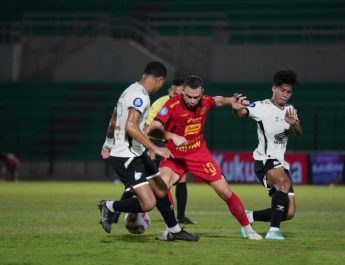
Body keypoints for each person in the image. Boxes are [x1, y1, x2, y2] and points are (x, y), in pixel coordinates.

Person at [148, 75, 262, 240]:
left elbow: (218, 100)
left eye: (196, 97)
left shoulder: (205, 101)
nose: (192, 100)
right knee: (161, 187)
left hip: (198, 154)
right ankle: (171, 229)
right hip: (175, 154)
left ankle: (248, 229)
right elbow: (153, 128)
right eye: (188, 96)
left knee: (225, 191)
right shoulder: (172, 105)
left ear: (202, 93)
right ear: (183, 92)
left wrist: (231, 101)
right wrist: (172, 136)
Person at [98, 61, 198, 241]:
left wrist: (107, 143)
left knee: (160, 189)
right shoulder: (141, 96)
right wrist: (155, 148)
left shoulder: (129, 90)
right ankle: (109, 206)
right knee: (148, 202)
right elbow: (130, 126)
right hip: (126, 155)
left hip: (135, 152)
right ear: (159, 80)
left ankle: (174, 230)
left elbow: (114, 121)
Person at [233, 70, 303, 240]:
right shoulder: (262, 107)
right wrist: (236, 108)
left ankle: (249, 216)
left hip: (280, 163)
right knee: (284, 183)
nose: (285, 95)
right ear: (274, 88)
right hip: (264, 160)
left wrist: (294, 124)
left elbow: (299, 133)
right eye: (282, 90)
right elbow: (242, 112)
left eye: (288, 92)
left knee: (289, 212)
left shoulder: (290, 110)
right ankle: (273, 231)